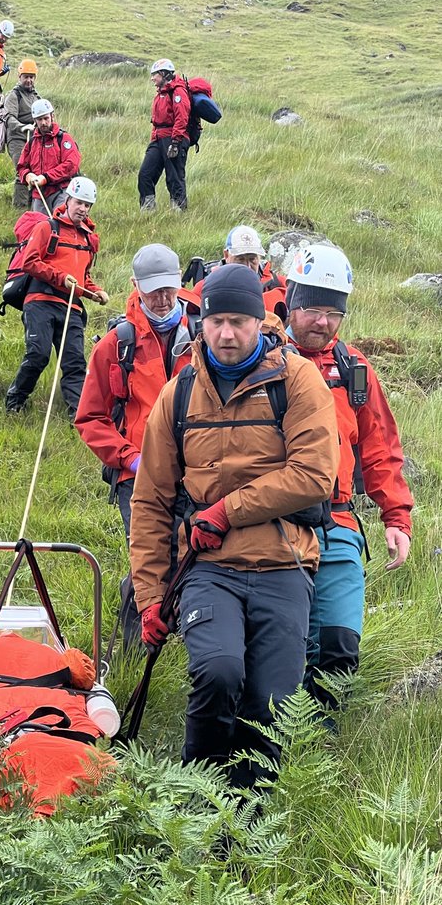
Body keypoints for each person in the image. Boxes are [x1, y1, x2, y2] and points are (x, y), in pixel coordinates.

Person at [130, 265, 340, 788]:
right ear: (200, 323)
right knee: (218, 672)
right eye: (217, 321)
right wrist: (150, 597)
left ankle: (248, 817)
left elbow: (315, 475)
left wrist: (226, 510)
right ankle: (197, 797)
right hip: (208, 568)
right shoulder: (177, 395)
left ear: (261, 321)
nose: (227, 334)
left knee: (272, 700)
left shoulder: (298, 380)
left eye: (239, 322)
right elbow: (151, 501)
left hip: (284, 562)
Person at [285, 244, 413, 710]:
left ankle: (319, 750)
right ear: (291, 301)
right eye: (312, 309)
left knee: (339, 649)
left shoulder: (355, 370)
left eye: (333, 312)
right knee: (282, 651)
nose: (322, 322)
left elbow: (380, 448)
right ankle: (270, 748)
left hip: (338, 524)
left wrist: (396, 517)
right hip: (271, 524)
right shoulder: (258, 359)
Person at [75, 244, 193, 647]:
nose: (162, 298)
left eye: (169, 289)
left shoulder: (203, 335)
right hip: (137, 478)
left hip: (195, 473)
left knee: (187, 556)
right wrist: (132, 459)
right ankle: (131, 650)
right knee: (149, 562)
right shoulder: (116, 345)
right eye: (153, 290)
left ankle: (173, 638)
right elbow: (90, 417)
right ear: (135, 287)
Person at [5, 176, 109, 419]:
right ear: (68, 200)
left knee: (75, 363)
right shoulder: (47, 228)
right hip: (40, 302)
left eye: (87, 205)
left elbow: (83, 277)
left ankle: (79, 417)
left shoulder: (89, 239)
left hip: (71, 307)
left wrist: (96, 291)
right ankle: (15, 401)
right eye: (79, 203)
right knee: (38, 355)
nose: (83, 209)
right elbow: (31, 262)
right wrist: (60, 278)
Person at [186, 226, 288, 321]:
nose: (247, 266)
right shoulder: (204, 288)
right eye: (240, 259)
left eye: (252, 259)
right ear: (226, 255)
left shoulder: (280, 284)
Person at [138, 58, 191, 213]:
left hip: (173, 139)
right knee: (145, 174)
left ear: (163, 74)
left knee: (174, 177)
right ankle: (148, 212)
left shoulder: (178, 91)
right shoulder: (161, 93)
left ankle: (179, 213)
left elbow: (182, 118)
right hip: (158, 138)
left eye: (155, 74)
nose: (152, 78)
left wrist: (175, 142)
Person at [17, 99, 82, 214]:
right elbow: (21, 167)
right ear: (35, 121)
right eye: (39, 119)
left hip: (61, 191)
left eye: (46, 118)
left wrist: (46, 178)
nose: (43, 123)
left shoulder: (63, 138)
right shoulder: (31, 143)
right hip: (39, 194)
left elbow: (71, 165)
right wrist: (27, 175)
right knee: (40, 227)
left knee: (61, 225)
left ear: (52, 116)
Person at [0, 59, 41, 208]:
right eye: (25, 77)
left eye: (31, 77)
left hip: (34, 139)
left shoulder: (36, 97)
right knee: (22, 171)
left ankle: (32, 204)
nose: (28, 80)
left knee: (37, 171)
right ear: (19, 77)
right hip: (17, 138)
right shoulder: (14, 95)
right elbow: (8, 117)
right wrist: (23, 127)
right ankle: (19, 208)